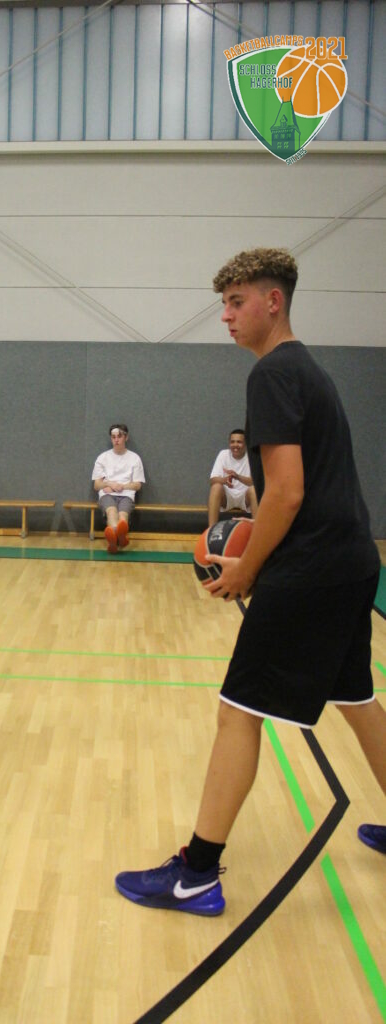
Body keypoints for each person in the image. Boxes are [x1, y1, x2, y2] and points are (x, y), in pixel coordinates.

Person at [116, 248, 385, 914]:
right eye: (224, 305)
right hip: (352, 560)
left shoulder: (273, 373)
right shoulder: (309, 370)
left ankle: (195, 874)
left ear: (273, 301)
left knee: (238, 711)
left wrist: (247, 566)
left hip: (312, 568)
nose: (226, 317)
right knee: (358, 700)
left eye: (236, 303)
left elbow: (285, 492)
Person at [92, 425, 145, 553]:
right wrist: (109, 484)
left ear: (126, 437)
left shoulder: (135, 458)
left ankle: (115, 538)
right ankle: (118, 539)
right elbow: (97, 485)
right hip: (107, 495)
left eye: (119, 437)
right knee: (112, 512)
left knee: (122, 515)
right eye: (113, 437)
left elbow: (137, 485)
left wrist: (121, 487)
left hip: (126, 495)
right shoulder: (102, 458)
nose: (116, 440)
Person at [208, 429, 258, 526]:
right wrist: (224, 480)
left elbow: (255, 482)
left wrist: (237, 477)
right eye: (232, 442)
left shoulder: (252, 456)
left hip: (245, 497)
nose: (235, 445)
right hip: (227, 497)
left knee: (254, 490)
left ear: (246, 444)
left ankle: (257, 529)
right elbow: (213, 480)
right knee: (216, 487)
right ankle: (211, 529)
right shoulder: (223, 454)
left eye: (239, 442)